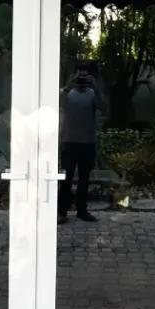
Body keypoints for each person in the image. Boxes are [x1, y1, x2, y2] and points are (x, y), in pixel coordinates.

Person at [58, 62, 103, 223]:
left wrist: (96, 89)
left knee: (85, 179)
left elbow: (104, 108)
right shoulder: (66, 93)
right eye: (79, 76)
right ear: (74, 76)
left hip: (87, 143)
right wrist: (68, 87)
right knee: (66, 179)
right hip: (69, 141)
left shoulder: (92, 93)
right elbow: (55, 103)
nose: (82, 79)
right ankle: (61, 212)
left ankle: (81, 211)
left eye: (85, 76)